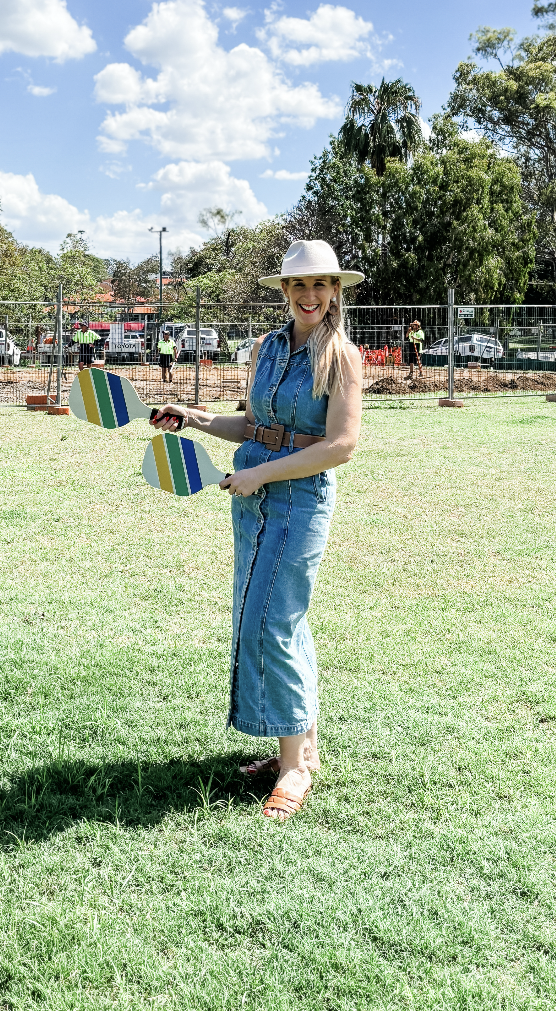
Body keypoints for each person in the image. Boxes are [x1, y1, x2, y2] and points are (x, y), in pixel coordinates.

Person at [152, 240, 363, 821]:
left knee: (270, 621)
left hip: (300, 500)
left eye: (320, 285)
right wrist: (195, 418)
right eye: (298, 285)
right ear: (285, 291)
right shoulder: (266, 349)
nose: (309, 295)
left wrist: (261, 474)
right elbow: (253, 425)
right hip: (253, 498)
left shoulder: (343, 357)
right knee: (280, 618)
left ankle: (294, 768)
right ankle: (301, 747)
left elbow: (341, 446)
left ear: (335, 291)